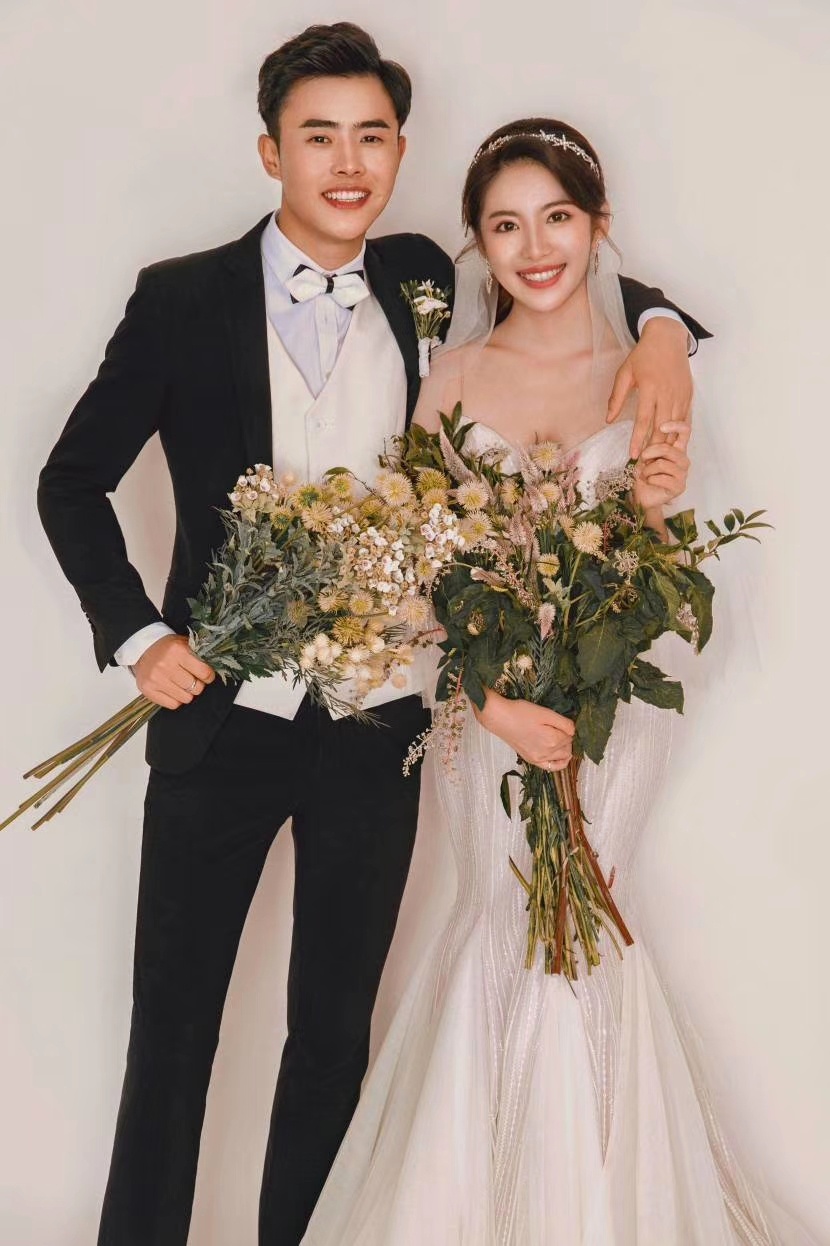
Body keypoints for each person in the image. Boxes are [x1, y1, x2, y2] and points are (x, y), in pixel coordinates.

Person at [36, 19, 705, 1243]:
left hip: (380, 727)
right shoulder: (180, 297)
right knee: (172, 1030)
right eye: (318, 137)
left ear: (399, 149)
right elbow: (69, 480)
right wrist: (138, 638)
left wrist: (664, 336)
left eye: (372, 136)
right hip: (216, 720)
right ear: (270, 151)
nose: (347, 163)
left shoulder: (420, 279)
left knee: (331, 1037)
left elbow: (574, 278)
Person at [302, 120, 817, 1246]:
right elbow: (420, 573)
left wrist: (654, 504)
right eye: (504, 225)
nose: (533, 248)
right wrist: (490, 704)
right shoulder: (452, 375)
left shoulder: (644, 368)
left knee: (587, 921)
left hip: (611, 707)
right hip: (482, 711)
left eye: (556, 218)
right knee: (498, 914)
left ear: (597, 226)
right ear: (477, 244)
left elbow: (657, 570)